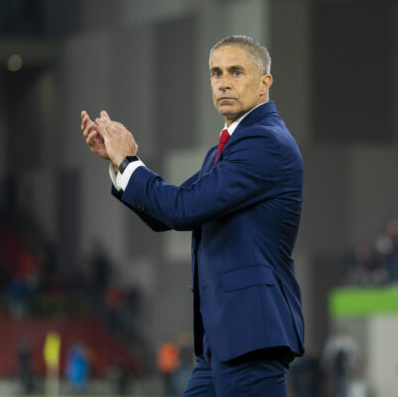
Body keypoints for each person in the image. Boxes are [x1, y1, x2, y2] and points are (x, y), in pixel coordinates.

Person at [80, 35, 305, 396]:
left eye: (236, 72)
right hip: (223, 342)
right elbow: (167, 213)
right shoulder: (226, 149)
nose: (223, 82)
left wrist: (129, 162)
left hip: (251, 338)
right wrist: (120, 164)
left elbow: (182, 209)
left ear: (265, 83)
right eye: (216, 73)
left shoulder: (264, 142)